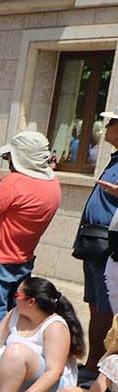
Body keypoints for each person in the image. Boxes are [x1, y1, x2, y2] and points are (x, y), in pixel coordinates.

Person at [0, 129, 62, 336]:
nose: (9, 162)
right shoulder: (52, 183)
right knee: (12, 312)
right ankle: (5, 358)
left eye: (11, 157)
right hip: (20, 258)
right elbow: (12, 205)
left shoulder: (15, 182)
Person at [72, 110, 118, 356]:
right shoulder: (115, 158)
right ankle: (93, 362)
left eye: (112, 122)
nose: (107, 126)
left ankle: (96, 365)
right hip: (94, 240)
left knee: (104, 306)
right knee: (94, 304)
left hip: (109, 245)